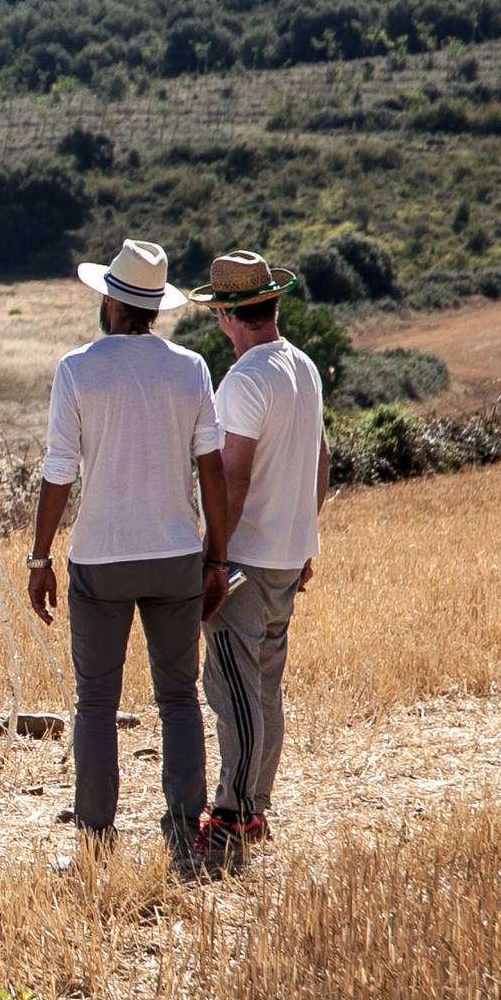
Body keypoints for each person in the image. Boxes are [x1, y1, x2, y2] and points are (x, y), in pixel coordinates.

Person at [28, 239, 233, 879]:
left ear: (113, 301)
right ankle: (184, 832)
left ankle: (95, 840)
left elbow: (59, 470)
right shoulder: (192, 368)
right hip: (175, 552)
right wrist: (217, 559)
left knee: (95, 702)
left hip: (101, 559)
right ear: (155, 307)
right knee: (178, 698)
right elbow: (212, 471)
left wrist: (39, 557)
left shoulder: (78, 369)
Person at [187, 252, 329, 875]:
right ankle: (256, 807)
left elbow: (233, 479)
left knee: (232, 692)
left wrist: (213, 559)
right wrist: (304, 538)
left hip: (244, 559)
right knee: (265, 689)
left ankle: (234, 816)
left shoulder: (243, 381)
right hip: (286, 556)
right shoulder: (303, 368)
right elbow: (322, 461)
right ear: (272, 303)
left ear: (225, 314)